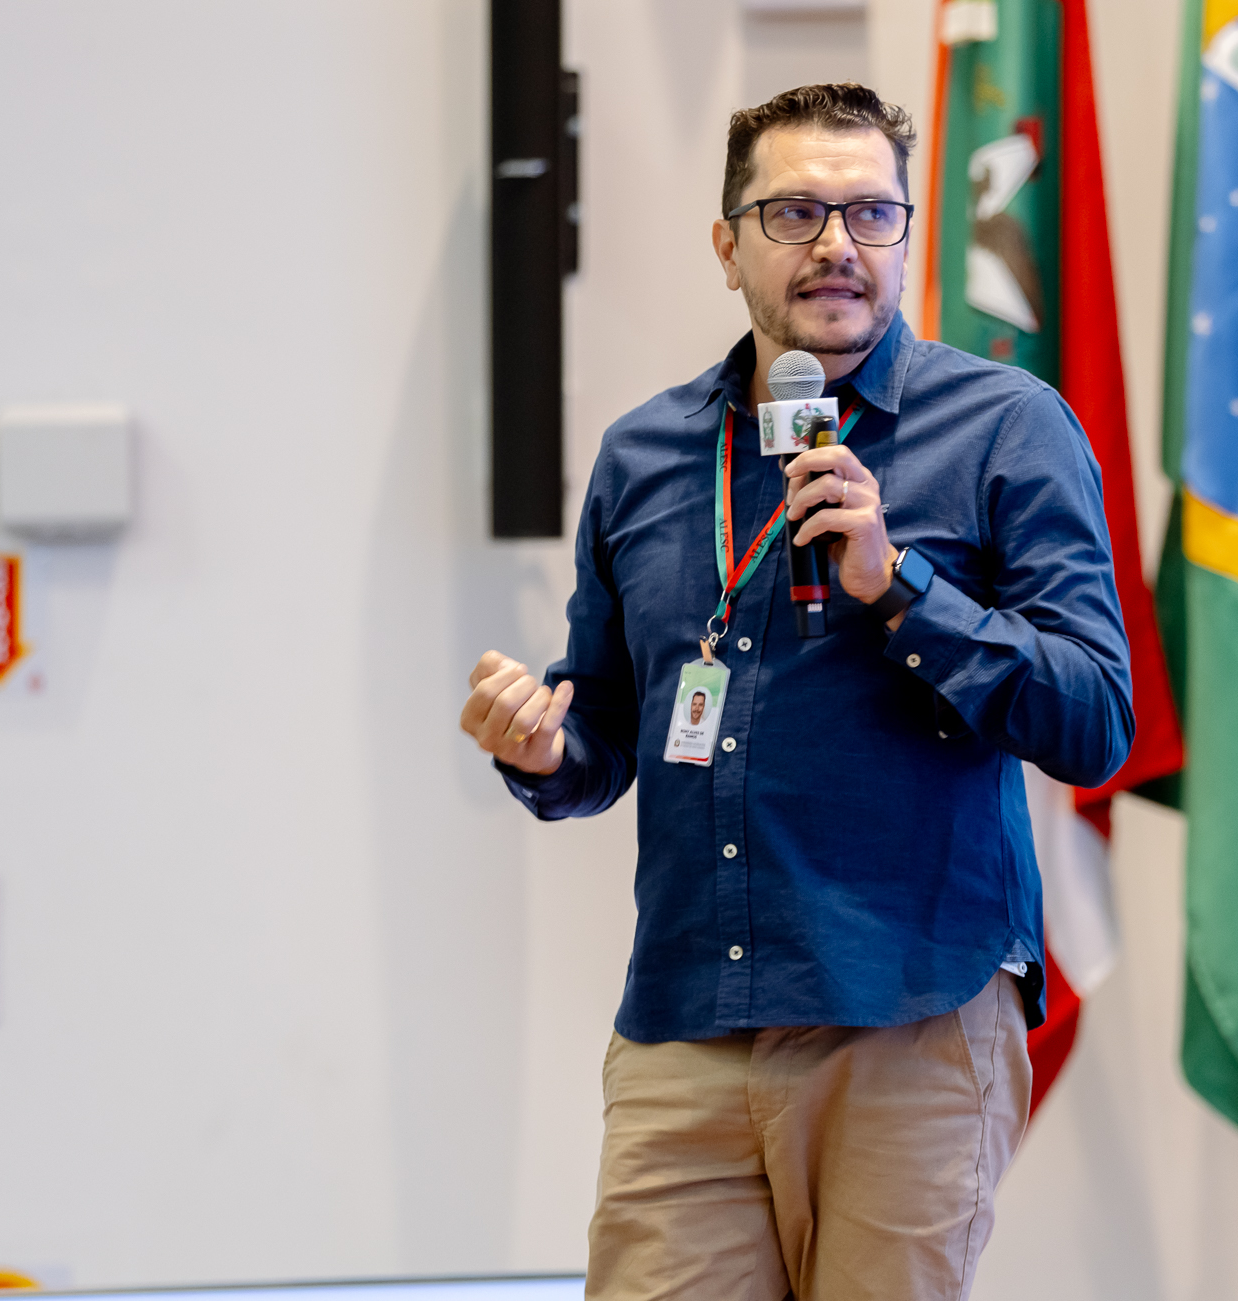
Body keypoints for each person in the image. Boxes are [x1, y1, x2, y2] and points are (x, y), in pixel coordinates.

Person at [459, 82, 1134, 1301]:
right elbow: (605, 728)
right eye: (792, 213)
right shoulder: (642, 454)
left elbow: (1093, 720)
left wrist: (900, 588)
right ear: (727, 248)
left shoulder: (1004, 429)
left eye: (871, 213)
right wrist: (544, 751)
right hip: (686, 1023)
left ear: (906, 237)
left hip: (908, 1013)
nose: (835, 244)